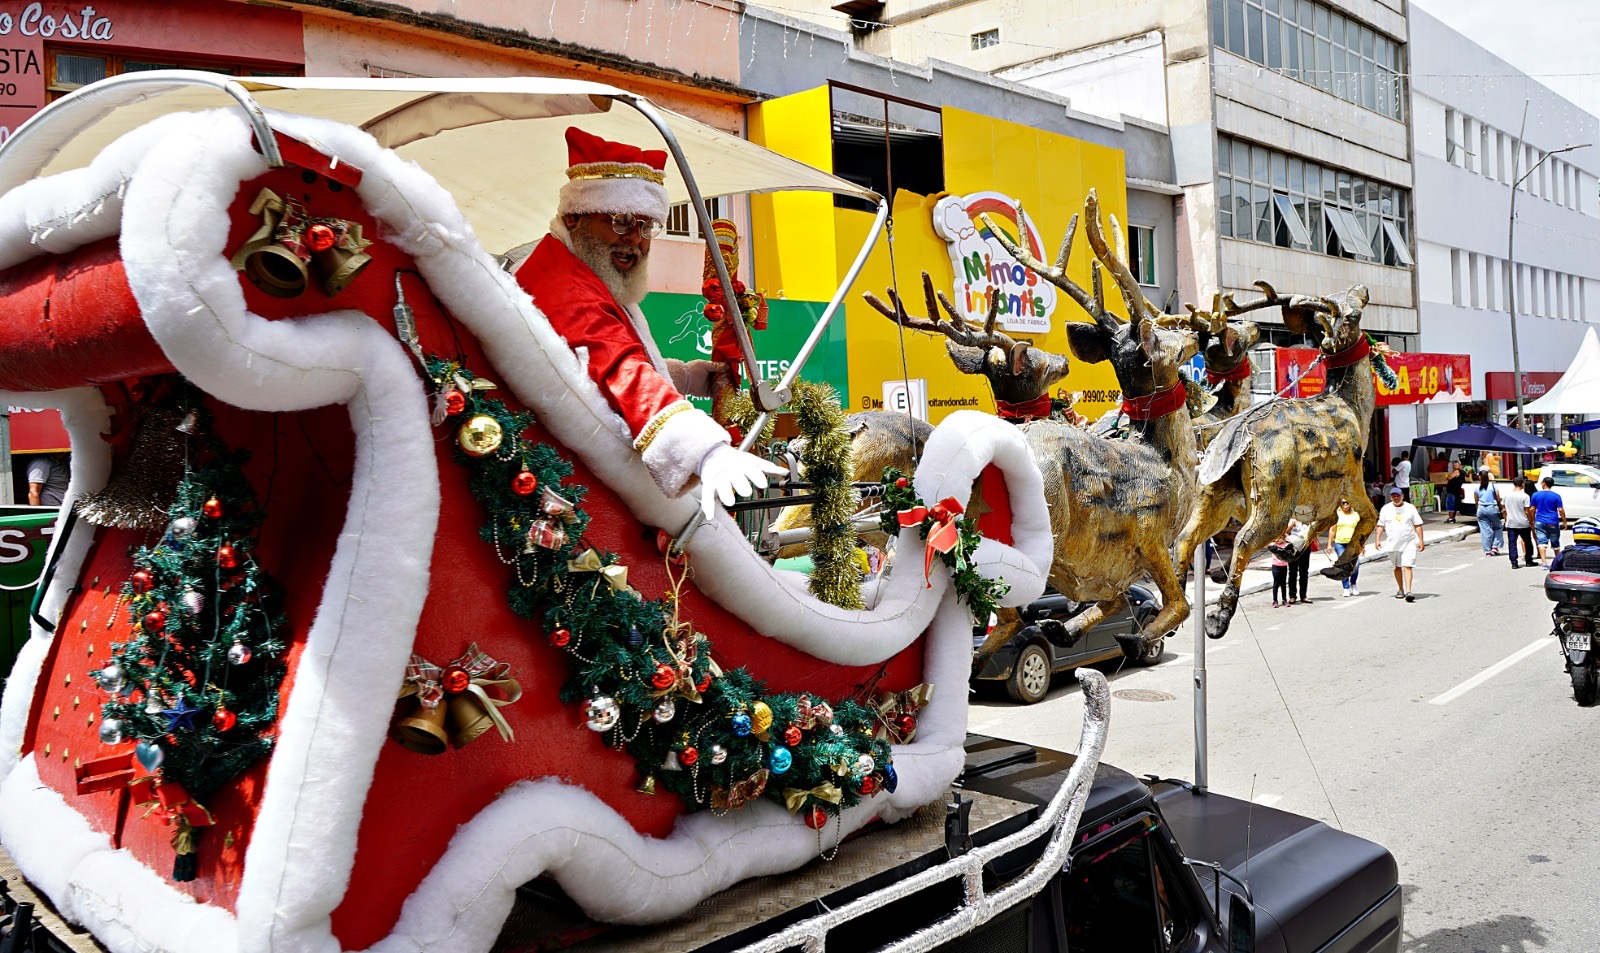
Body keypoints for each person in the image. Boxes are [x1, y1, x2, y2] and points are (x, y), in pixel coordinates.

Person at [514, 128, 783, 518]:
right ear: (574, 217)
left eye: (646, 227)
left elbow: (592, 370)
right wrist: (705, 451)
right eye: (621, 222)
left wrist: (684, 376)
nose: (635, 240)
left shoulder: (583, 269)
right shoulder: (565, 285)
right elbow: (617, 367)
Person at [1374, 486, 1424, 602]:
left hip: (1408, 542)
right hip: (1393, 543)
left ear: (1402, 496)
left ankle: (1409, 591)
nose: (1396, 498)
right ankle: (1400, 589)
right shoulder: (1386, 509)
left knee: (1407, 566)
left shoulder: (1410, 508)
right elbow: (1380, 525)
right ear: (1391, 497)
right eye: (1393, 496)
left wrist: (1421, 540)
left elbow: (1417, 525)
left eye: (1398, 496)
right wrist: (1377, 540)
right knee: (1397, 567)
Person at [1326, 498, 1363, 597]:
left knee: (1356, 565)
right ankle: (1346, 587)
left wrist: (1362, 545)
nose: (1346, 504)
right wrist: (1329, 544)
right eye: (1343, 503)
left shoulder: (1356, 515)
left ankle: (1353, 583)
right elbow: (1332, 530)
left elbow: (1360, 531)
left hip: (1353, 544)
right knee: (1343, 565)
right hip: (1340, 544)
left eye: (1347, 502)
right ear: (1340, 504)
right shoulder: (1337, 515)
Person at [1531, 476, 1567, 567]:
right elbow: (1561, 510)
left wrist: (1533, 519)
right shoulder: (1556, 496)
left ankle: (1544, 562)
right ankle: (1558, 562)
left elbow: (1532, 509)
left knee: (1541, 543)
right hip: (1553, 521)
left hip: (1540, 521)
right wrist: (1564, 521)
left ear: (1544, 483)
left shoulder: (1535, 495)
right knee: (1555, 543)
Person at [1502, 476, 1535, 569]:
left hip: (1511, 522)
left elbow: (1504, 510)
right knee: (1527, 541)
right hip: (1523, 522)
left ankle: (1514, 562)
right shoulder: (1525, 496)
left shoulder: (1507, 495)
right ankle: (1528, 560)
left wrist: (1506, 519)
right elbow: (1527, 511)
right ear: (1522, 484)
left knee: (1512, 543)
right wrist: (1531, 522)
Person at [1475, 467, 1503, 556]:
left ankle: (1487, 550)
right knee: (1498, 527)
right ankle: (1495, 546)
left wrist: (1478, 510)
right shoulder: (1493, 486)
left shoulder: (1477, 488)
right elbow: (1498, 498)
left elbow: (1476, 501)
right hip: (1492, 508)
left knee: (1485, 530)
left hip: (1481, 509)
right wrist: (1501, 508)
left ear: (1479, 477)